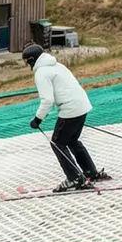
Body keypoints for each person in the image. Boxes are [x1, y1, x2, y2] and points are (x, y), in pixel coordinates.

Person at [24, 43, 107, 192]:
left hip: (70, 108)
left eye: (27, 62)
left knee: (57, 143)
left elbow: (47, 100)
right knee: (72, 140)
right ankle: (90, 172)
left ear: (32, 60)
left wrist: (37, 119)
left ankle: (74, 178)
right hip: (82, 105)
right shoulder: (57, 65)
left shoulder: (41, 73)